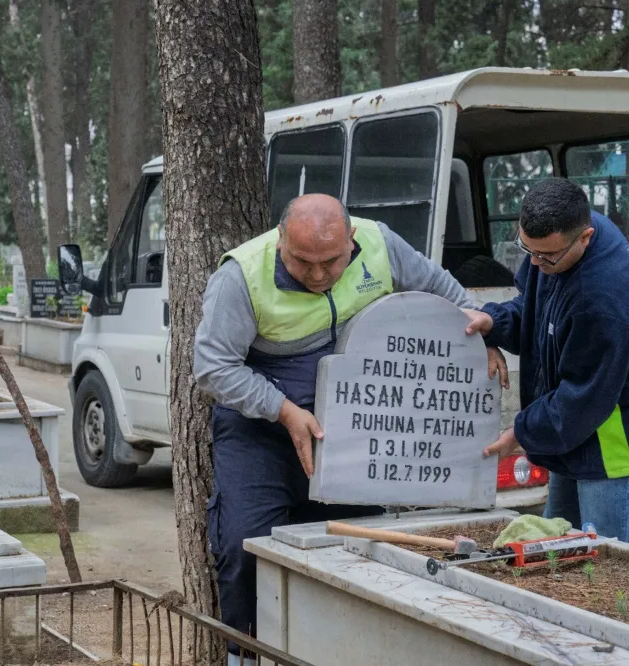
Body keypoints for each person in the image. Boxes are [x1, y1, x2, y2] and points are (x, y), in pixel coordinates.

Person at [194, 193, 480, 664]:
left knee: (359, 544)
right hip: (261, 428)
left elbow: (446, 294)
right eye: (302, 261)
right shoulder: (240, 276)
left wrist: (478, 336)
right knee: (244, 544)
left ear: (351, 241)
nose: (319, 274)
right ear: (280, 241)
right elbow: (212, 367)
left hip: (348, 427)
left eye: (332, 261)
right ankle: (243, 656)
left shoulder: (381, 243)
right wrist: (282, 409)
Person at [464, 178, 629, 546]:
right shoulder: (560, 239)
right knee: (558, 552)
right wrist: (495, 323)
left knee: (608, 569)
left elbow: (582, 398)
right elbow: (542, 315)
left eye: (546, 257)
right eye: (527, 250)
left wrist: (520, 432)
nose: (535, 263)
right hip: (574, 434)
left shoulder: (604, 300)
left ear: (585, 237)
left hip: (616, 442)